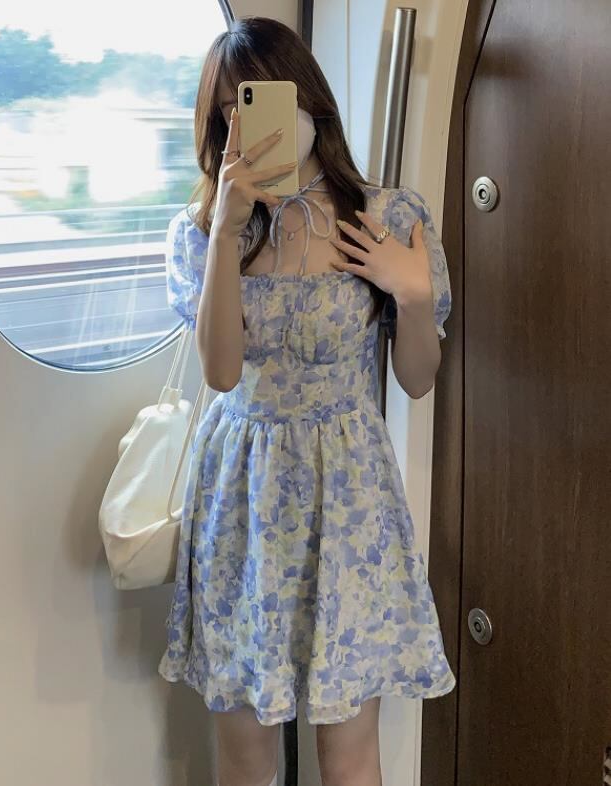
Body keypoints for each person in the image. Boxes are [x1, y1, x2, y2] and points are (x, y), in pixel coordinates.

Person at [158, 16, 455, 786]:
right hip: (240, 497)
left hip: (348, 497)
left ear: (309, 103)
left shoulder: (386, 216)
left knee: (349, 757)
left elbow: (416, 379)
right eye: (227, 111)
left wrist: (412, 295)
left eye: (258, 101)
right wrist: (227, 232)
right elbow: (221, 371)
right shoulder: (201, 231)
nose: (245, 124)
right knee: (244, 755)